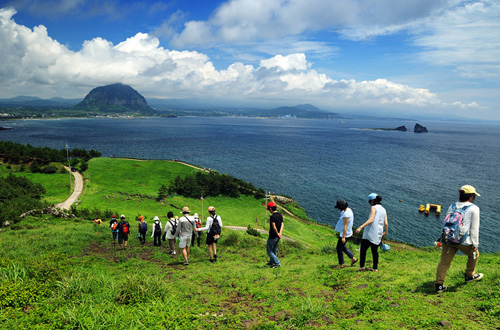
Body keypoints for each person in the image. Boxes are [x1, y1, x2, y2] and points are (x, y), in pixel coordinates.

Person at [435, 185, 483, 293]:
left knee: (444, 262)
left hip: (448, 238)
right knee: (474, 254)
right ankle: (469, 275)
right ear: (471, 197)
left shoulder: (452, 205)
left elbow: (446, 222)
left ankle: (439, 285)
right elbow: (475, 228)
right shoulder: (474, 208)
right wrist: (475, 244)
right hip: (462, 241)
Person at [355, 193, 388, 272]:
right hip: (378, 234)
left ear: (373, 200)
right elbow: (386, 223)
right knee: (375, 252)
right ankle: (375, 268)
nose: (370, 203)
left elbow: (371, 220)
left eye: (370, 201)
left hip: (369, 233)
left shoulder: (373, 208)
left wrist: (360, 227)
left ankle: (362, 267)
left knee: (363, 250)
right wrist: (385, 232)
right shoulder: (384, 209)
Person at [333, 199, 357, 269]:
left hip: (345, 234)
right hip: (348, 232)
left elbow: (345, 226)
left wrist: (343, 237)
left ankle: (341, 264)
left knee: (338, 248)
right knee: (342, 247)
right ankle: (353, 258)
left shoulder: (346, 214)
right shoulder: (349, 210)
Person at [266, 202, 284, 268]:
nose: (269, 210)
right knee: (274, 249)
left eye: (268, 209)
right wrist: (280, 233)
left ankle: (277, 263)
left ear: (271, 208)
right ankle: (272, 262)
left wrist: (277, 233)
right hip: (278, 236)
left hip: (273, 236)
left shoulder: (272, 217)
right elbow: (282, 224)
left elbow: (274, 227)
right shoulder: (280, 215)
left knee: (269, 251)